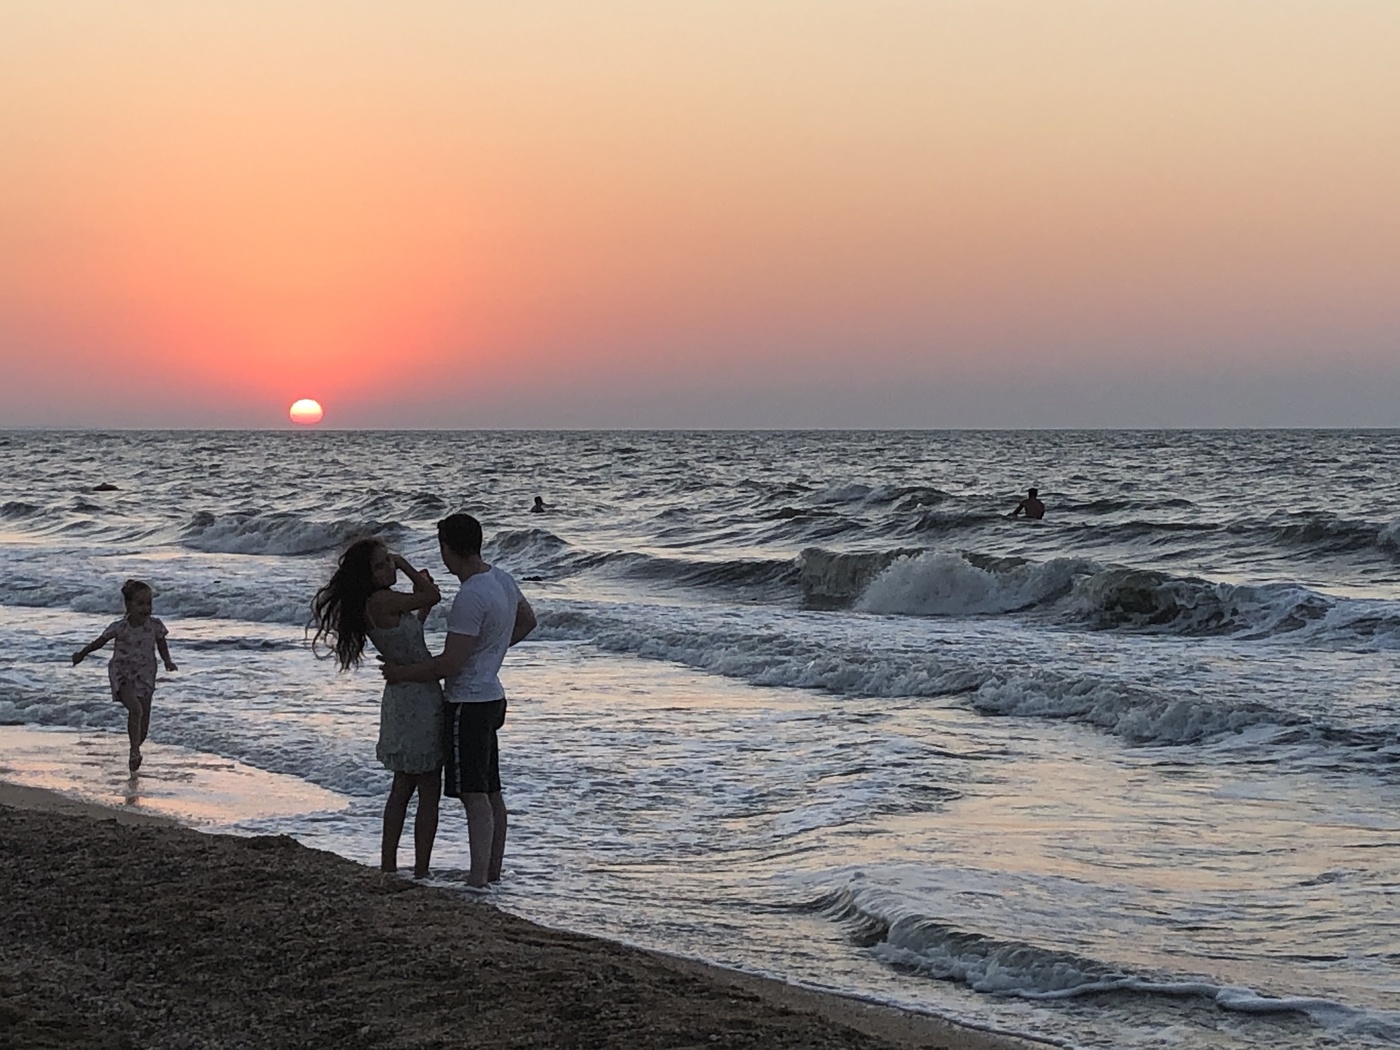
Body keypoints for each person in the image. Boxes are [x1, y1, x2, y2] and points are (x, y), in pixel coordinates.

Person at [382, 513, 536, 889]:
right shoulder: (500, 579)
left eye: (443, 549)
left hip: (467, 701)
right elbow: (527, 620)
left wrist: (402, 674)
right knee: (491, 790)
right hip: (491, 696)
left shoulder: (470, 595)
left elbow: (450, 663)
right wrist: (491, 652)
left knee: (473, 793)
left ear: (448, 549)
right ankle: (492, 871)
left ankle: (478, 878)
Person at [311, 539, 445, 878]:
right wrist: (406, 566)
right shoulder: (382, 599)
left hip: (405, 691)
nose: (389, 567)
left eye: (388, 561)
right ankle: (420, 869)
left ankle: (390, 864)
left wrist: (415, 582)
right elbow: (432, 596)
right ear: (368, 575)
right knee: (427, 787)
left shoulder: (376, 604)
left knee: (403, 785)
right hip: (417, 694)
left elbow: (415, 622)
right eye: (382, 564)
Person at [72, 579, 177, 772]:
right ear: (128, 605)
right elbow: (99, 642)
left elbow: (162, 644)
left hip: (146, 675)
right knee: (135, 710)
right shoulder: (119, 627)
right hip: (123, 674)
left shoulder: (155, 626)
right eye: (140, 603)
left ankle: (135, 746)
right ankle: (134, 751)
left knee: (143, 726)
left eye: (149, 603)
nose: (146, 608)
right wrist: (82, 653)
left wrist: (168, 662)